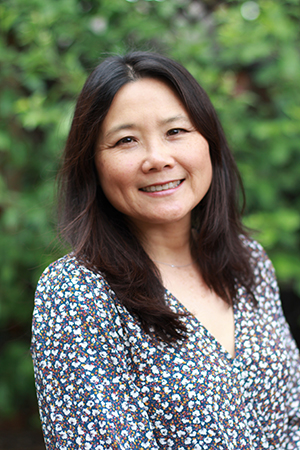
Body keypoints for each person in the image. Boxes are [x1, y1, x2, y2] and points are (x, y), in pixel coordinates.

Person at [31, 51, 300, 450]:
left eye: (176, 132)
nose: (157, 159)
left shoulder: (248, 261)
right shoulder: (77, 293)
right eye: (126, 140)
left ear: (208, 141)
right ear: (93, 165)